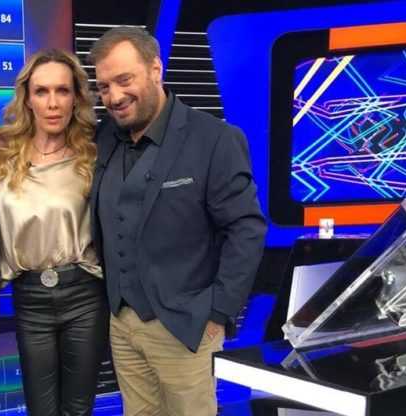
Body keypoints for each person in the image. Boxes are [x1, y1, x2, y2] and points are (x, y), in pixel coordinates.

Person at [88, 27, 267, 415]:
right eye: (104, 87)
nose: (114, 96)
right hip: (122, 325)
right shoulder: (105, 138)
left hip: (187, 327)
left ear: (156, 69)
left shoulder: (214, 139)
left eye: (124, 80)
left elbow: (246, 229)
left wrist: (218, 313)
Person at [0, 48, 108, 416]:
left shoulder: (94, 156)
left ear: (76, 98)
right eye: (42, 91)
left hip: (85, 295)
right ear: (27, 98)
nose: (53, 103)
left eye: (62, 91)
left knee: (77, 409)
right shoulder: (0, 158)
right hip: (30, 298)